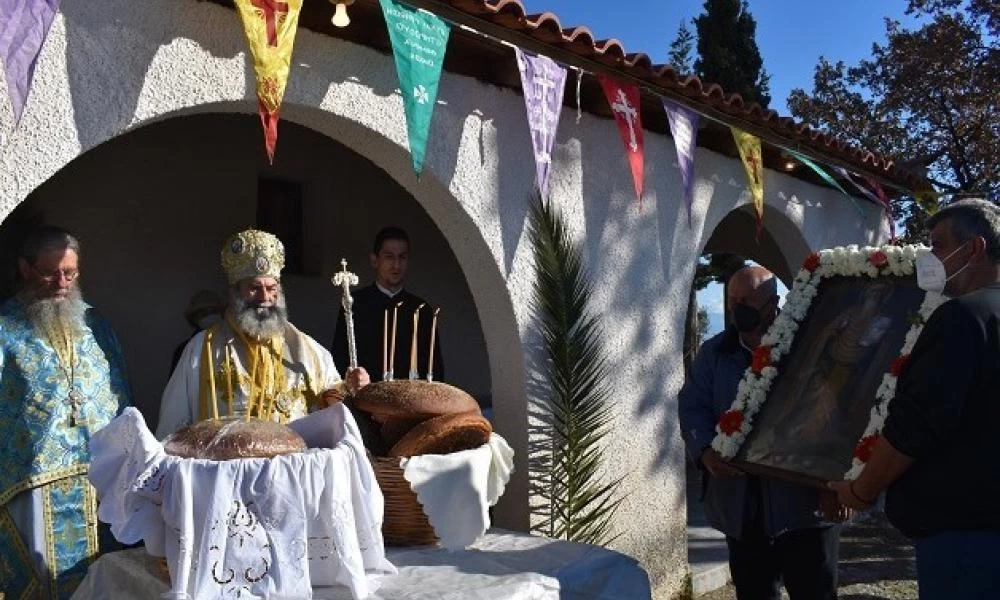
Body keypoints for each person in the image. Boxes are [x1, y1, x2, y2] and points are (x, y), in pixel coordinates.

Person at [829, 199, 1000, 599]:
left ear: (974, 248)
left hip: (963, 534)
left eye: (938, 245)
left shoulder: (963, 318)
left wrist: (860, 491)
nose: (931, 257)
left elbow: (916, 425)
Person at [679, 265, 842, 600]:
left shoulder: (808, 345)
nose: (739, 307)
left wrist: (835, 484)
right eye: (733, 299)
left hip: (804, 508)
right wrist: (706, 452)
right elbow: (692, 406)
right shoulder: (715, 354)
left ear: (774, 302)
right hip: (742, 509)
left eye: (749, 300)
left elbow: (835, 413)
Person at [0, 226, 132, 599]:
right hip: (30, 484)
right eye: (50, 272)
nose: (62, 282)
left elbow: (121, 396)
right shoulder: (4, 329)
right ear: (25, 269)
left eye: (70, 273)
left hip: (98, 481)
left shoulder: (96, 326)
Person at [156, 229, 369, 438]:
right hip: (225, 471)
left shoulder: (309, 352)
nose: (264, 297)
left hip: (288, 471)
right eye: (254, 288)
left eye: (271, 288)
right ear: (235, 291)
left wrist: (352, 389)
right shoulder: (201, 350)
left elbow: (334, 416)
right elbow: (173, 429)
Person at [332, 226, 443, 382]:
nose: (396, 265)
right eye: (389, 257)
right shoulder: (354, 304)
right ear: (375, 260)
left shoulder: (421, 309)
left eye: (402, 257)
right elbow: (340, 360)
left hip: (410, 401)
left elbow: (435, 369)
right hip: (366, 400)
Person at [169, 289, 226, 376]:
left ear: (222, 313)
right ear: (194, 318)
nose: (209, 315)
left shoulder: (231, 343)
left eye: (213, 311)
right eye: (203, 313)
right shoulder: (185, 349)